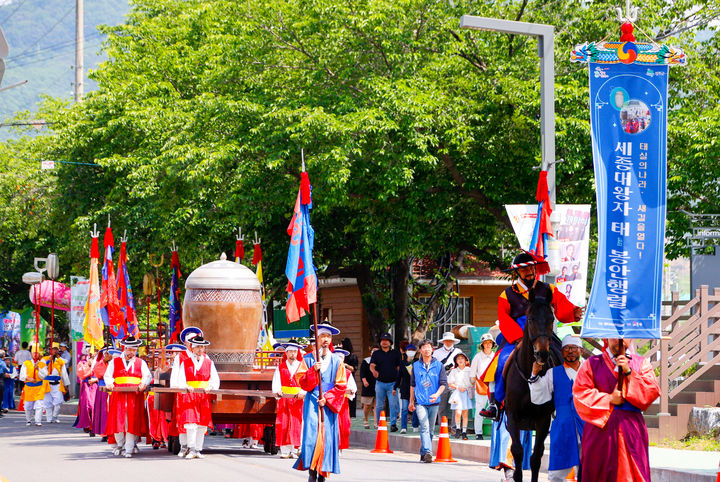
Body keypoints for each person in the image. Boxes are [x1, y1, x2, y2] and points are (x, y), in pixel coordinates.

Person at [481, 251, 583, 420]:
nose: (529, 272)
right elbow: (504, 318)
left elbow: (561, 306)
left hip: (543, 332)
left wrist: (573, 311)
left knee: (563, 356)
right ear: (517, 273)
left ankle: (566, 399)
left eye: (532, 268)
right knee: (499, 363)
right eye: (525, 270)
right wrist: (519, 337)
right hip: (516, 334)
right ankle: (495, 404)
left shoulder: (547, 288)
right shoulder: (507, 294)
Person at [573, 338, 660, 481]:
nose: (619, 340)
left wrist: (629, 372)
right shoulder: (592, 363)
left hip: (631, 429)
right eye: (614, 335)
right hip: (599, 432)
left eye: (624, 335)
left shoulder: (641, 363)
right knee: (597, 473)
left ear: (630, 338)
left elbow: (651, 392)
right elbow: (580, 394)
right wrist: (609, 399)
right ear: (605, 338)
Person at [293, 323, 347, 482]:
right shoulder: (308, 359)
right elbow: (300, 381)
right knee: (311, 437)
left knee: (327, 438)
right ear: (317, 338)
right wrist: (312, 371)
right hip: (311, 402)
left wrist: (328, 398)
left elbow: (342, 385)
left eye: (328, 337)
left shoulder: (337, 360)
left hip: (328, 404)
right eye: (323, 336)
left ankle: (323, 473)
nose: (325, 339)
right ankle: (311, 471)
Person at [529, 335, 585, 482]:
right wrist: (534, 373)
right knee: (557, 473)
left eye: (574, 348)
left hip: (588, 426)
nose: (570, 351)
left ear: (581, 350)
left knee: (587, 470)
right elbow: (540, 395)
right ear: (562, 352)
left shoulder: (590, 370)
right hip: (563, 426)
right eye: (566, 348)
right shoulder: (553, 373)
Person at [173, 335, 220, 459]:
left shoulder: (209, 362)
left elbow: (215, 379)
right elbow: (181, 379)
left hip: (204, 396)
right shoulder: (185, 362)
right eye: (197, 347)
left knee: (202, 424)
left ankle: (198, 449)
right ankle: (191, 448)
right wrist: (186, 386)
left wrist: (211, 386)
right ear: (192, 348)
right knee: (190, 422)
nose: (200, 349)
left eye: (202, 347)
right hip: (190, 396)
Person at [104, 336, 151, 458]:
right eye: (129, 349)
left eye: (134, 350)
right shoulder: (114, 362)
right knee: (118, 419)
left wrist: (143, 383)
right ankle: (120, 444)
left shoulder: (141, 362)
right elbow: (108, 375)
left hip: (134, 395)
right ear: (124, 348)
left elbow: (147, 376)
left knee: (132, 420)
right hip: (118, 394)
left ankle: (129, 447)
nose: (131, 352)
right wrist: (109, 383)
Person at [409, 339, 447, 463]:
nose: (426, 349)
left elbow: (443, 384)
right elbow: (412, 385)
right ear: (420, 350)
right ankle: (428, 452)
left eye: (428, 347)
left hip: (434, 402)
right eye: (424, 347)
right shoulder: (415, 365)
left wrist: (436, 394)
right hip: (420, 401)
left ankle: (423, 453)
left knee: (430, 429)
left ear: (432, 349)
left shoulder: (439, 365)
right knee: (424, 426)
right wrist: (411, 401)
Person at [170, 326, 204, 456]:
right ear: (186, 343)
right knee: (183, 419)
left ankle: (195, 447)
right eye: (190, 342)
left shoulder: (203, 356)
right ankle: (184, 446)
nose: (192, 345)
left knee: (198, 420)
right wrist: (177, 388)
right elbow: (176, 373)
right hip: (184, 392)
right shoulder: (181, 357)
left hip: (199, 393)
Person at [271, 340, 305, 459]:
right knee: (283, 422)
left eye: (295, 351)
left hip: (297, 399)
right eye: (290, 351)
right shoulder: (280, 367)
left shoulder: (302, 366)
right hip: (285, 398)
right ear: (286, 352)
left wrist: (302, 392)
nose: (292, 354)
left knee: (297, 423)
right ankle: (284, 450)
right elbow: (276, 382)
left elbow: (306, 382)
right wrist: (277, 390)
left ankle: (295, 449)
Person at [370, 332, 402, 432]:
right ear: (380, 342)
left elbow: (398, 367)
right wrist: (374, 371)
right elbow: (372, 365)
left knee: (393, 404)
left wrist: (399, 379)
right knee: (379, 404)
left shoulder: (396, 353)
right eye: (382, 340)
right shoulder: (376, 353)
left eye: (386, 341)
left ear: (390, 342)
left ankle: (393, 424)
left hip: (392, 383)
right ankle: (380, 423)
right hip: (380, 383)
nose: (384, 342)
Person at [433, 331, 463, 425]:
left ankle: (455, 427)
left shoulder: (458, 352)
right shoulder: (437, 353)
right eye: (447, 341)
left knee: (455, 405)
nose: (449, 342)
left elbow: (463, 365)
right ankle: (443, 426)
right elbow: (434, 367)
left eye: (450, 341)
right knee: (441, 406)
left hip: (455, 381)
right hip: (442, 381)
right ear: (443, 341)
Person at [469, 332, 495, 439]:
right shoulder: (477, 357)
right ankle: (478, 433)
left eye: (490, 342)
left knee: (494, 410)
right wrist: (474, 384)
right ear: (482, 344)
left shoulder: (495, 356)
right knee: (480, 409)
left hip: (493, 386)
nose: (488, 344)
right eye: (486, 343)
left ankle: (494, 432)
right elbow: (472, 373)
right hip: (481, 386)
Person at [39, 342, 70, 423]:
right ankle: (49, 418)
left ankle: (54, 416)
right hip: (48, 384)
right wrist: (48, 362)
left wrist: (66, 384)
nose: (54, 351)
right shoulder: (44, 359)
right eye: (53, 349)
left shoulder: (60, 360)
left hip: (57, 384)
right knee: (47, 402)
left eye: (56, 349)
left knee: (58, 402)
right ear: (50, 350)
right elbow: (42, 371)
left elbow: (64, 373)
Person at [334, 347, 357, 451]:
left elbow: (352, 388)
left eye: (341, 358)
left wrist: (349, 391)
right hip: (331, 402)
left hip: (343, 403)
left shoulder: (347, 373)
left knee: (343, 426)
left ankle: (340, 447)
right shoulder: (327, 371)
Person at [90, 348, 115, 440]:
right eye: (106, 354)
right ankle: (104, 432)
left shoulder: (115, 362)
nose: (108, 356)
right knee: (104, 411)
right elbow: (99, 374)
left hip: (114, 389)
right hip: (103, 389)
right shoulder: (100, 363)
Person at [448, 352, 473, 440]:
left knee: (465, 413)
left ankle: (464, 432)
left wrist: (468, 387)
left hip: (466, 393)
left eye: (462, 358)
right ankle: (458, 429)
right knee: (458, 412)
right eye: (458, 359)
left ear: (466, 360)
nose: (460, 360)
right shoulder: (454, 371)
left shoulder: (469, 370)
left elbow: (473, 381)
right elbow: (450, 383)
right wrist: (458, 387)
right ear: (456, 361)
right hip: (457, 393)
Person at [19, 343, 45, 426]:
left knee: (39, 405)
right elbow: (21, 376)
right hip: (29, 387)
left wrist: (38, 369)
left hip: (39, 387)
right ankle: (29, 419)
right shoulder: (26, 363)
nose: (35, 354)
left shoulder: (42, 364)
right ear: (31, 354)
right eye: (34, 353)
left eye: (37, 353)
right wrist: (29, 378)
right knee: (28, 406)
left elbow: (44, 375)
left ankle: (38, 421)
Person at [73, 347, 97, 435]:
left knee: (94, 406)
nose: (91, 353)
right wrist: (89, 366)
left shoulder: (99, 362)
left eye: (94, 351)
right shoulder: (82, 363)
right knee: (87, 406)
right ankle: (88, 425)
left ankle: (94, 426)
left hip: (95, 386)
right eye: (89, 350)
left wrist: (96, 379)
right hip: (86, 386)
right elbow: (81, 374)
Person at [394, 343, 417, 434]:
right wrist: (394, 387)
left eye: (412, 350)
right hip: (404, 388)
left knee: (415, 408)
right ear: (406, 352)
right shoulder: (402, 363)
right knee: (404, 408)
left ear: (415, 352)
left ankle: (415, 425)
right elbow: (399, 376)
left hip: (416, 389)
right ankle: (403, 427)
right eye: (409, 350)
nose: (411, 352)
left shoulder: (418, 362)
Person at [360, 345, 379, 429]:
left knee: (377, 405)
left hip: (379, 385)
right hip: (368, 385)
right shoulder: (366, 361)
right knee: (367, 405)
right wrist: (364, 381)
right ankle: (366, 419)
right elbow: (362, 373)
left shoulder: (381, 361)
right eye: (373, 350)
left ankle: (376, 423)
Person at [340, 337, 359, 418]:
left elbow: (354, 369)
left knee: (351, 398)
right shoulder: (339, 356)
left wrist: (346, 365)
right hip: (340, 379)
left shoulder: (353, 357)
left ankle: (352, 415)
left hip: (350, 379)